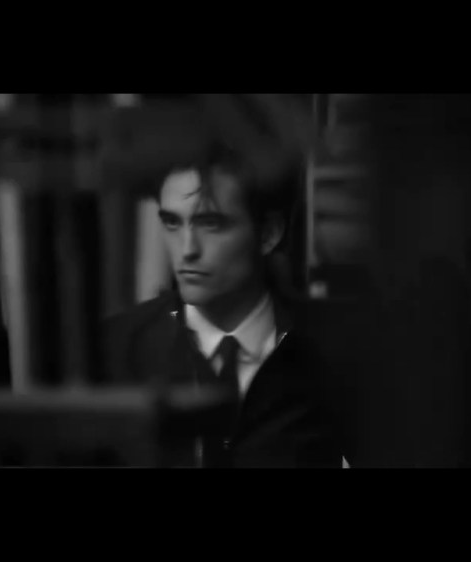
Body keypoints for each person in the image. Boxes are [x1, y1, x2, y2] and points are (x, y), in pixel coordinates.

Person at [102, 129, 349, 468]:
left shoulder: (333, 349)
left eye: (211, 224)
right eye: (172, 223)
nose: (187, 250)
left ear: (268, 234)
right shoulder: (116, 348)